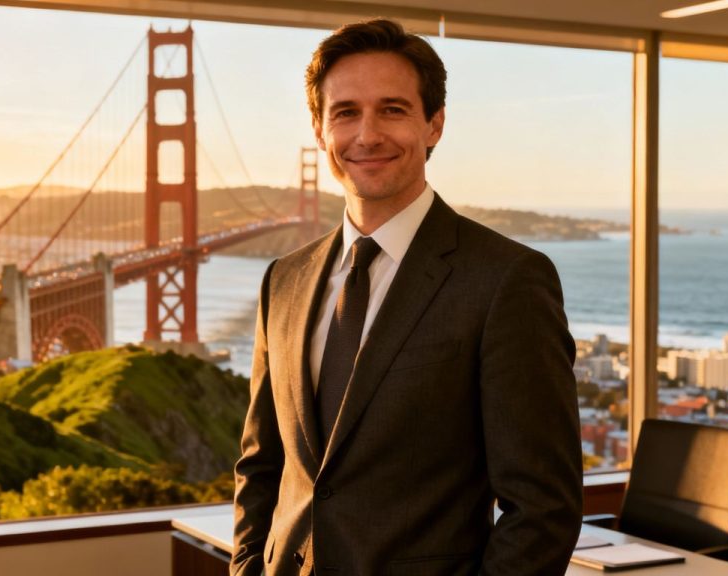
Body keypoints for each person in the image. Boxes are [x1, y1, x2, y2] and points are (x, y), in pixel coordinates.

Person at [231, 18, 582, 576]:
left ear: (434, 124)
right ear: (320, 130)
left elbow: (543, 509)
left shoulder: (506, 280)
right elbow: (261, 464)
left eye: (392, 109)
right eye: (345, 112)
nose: (367, 135)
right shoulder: (285, 280)